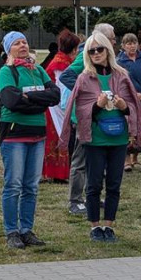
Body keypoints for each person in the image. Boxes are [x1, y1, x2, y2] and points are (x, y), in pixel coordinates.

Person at [60, 33, 141, 242]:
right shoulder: (84, 78)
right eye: (91, 50)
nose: (96, 53)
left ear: (108, 50)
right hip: (95, 140)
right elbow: (79, 111)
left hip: (118, 139)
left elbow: (134, 107)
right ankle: (94, 227)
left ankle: (109, 226)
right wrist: (96, 106)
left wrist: (124, 107)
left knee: (114, 184)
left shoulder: (121, 76)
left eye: (100, 49)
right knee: (94, 185)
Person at [0, 31, 60, 250]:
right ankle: (11, 231)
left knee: (31, 186)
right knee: (13, 185)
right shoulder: (7, 71)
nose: (22, 45)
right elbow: (11, 100)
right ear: (8, 49)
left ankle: (27, 229)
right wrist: (38, 100)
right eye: (17, 43)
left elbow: (55, 96)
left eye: (24, 41)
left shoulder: (39, 70)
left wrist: (28, 97)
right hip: (14, 135)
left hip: (38, 134)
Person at [59, 23, 117, 216]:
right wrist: (86, 92)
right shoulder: (88, 52)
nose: (115, 41)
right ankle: (75, 201)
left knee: (97, 160)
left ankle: (91, 196)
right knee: (81, 161)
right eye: (113, 38)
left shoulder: (107, 58)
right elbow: (67, 76)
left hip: (102, 116)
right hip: (85, 117)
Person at [42, 29, 80, 183]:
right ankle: (58, 173)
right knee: (58, 136)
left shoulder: (61, 60)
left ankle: (58, 172)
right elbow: (63, 87)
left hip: (56, 104)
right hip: (56, 106)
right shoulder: (61, 63)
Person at [117, 33, 141, 171]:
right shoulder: (119, 61)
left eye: (134, 43)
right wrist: (133, 93)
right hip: (127, 99)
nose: (132, 46)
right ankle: (126, 160)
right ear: (123, 46)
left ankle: (135, 157)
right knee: (128, 127)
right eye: (128, 43)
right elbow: (119, 81)